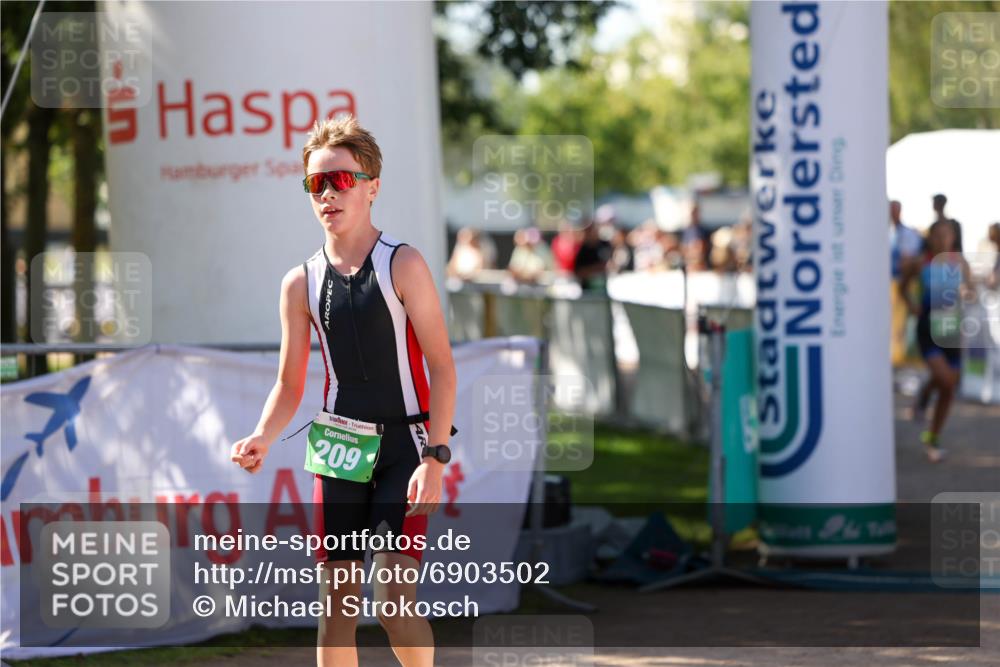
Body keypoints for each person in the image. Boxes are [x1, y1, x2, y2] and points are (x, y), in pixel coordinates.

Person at [230, 116, 457, 667]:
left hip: (407, 448)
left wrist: (436, 456)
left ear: (373, 186)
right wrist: (263, 434)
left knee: (395, 606)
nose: (328, 193)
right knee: (335, 606)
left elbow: (443, 369)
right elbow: (289, 382)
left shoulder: (403, 263)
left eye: (342, 180)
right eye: (315, 183)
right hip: (338, 449)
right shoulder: (299, 282)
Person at [899, 219, 971, 462]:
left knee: (948, 387)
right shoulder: (921, 263)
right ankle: (924, 396)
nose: (942, 239)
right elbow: (902, 287)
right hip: (928, 328)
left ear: (953, 237)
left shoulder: (960, 262)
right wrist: (912, 305)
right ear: (930, 238)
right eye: (937, 235)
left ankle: (933, 436)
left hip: (951, 329)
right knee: (943, 379)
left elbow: (969, 290)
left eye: (946, 235)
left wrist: (967, 295)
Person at [889, 200, 924, 365]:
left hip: (902, 284)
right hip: (892, 286)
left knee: (904, 330)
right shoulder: (888, 233)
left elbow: (908, 261)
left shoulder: (907, 234)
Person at [573, 219, 612, 291]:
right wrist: (596, 269)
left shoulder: (605, 244)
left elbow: (612, 262)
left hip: (604, 289)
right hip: (588, 290)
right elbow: (578, 272)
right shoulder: (583, 249)